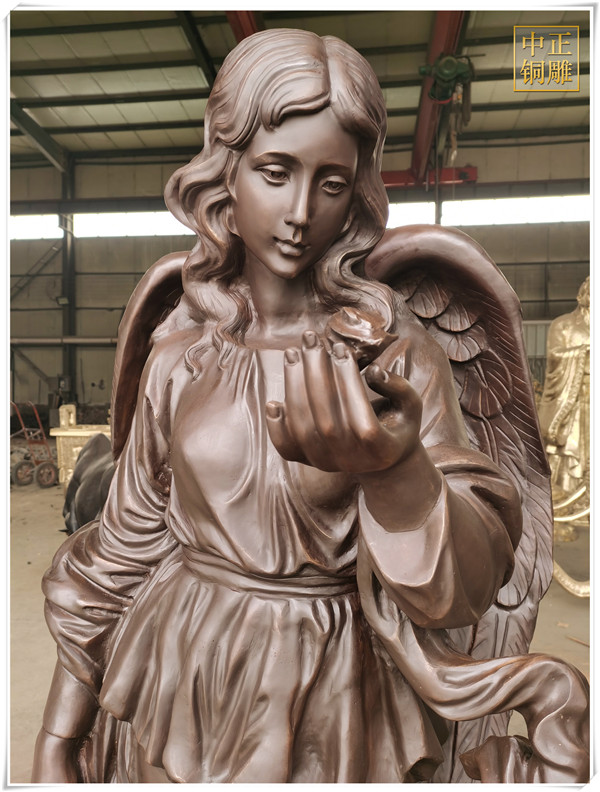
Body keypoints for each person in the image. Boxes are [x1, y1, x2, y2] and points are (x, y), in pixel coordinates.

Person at [31, 29, 586, 784]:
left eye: (331, 183)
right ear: (226, 174)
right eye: (275, 172)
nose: (299, 211)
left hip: (338, 688)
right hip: (181, 672)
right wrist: (60, 732)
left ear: (356, 193)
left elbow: (467, 590)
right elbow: (118, 557)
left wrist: (398, 474)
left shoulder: (391, 358)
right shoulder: (180, 354)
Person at [538, 276, 590, 499]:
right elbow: (555, 355)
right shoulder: (563, 325)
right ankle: (568, 494)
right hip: (574, 396)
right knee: (570, 446)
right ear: (583, 294)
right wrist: (585, 352)